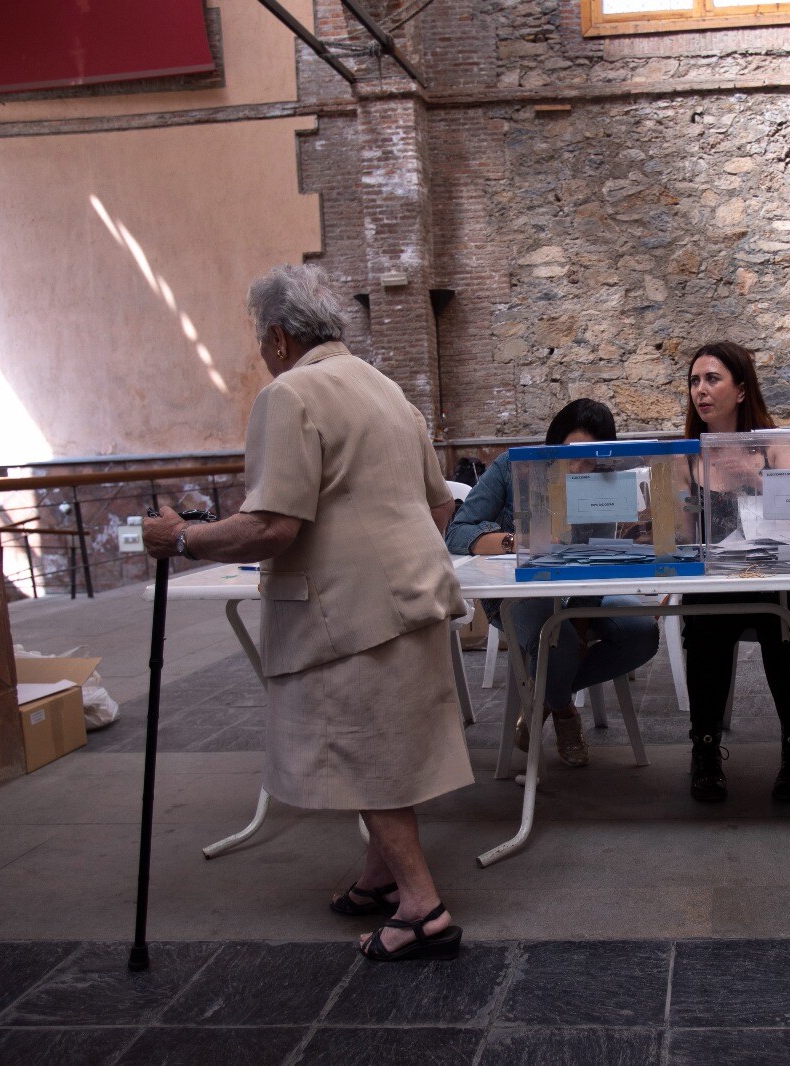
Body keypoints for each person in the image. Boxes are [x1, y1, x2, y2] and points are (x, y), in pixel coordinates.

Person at [143, 264, 473, 964]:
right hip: (412, 594)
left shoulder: (290, 395)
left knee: (363, 750)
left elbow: (271, 527)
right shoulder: (386, 390)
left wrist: (183, 537)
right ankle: (380, 879)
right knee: (383, 744)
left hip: (344, 612)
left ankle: (421, 907)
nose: (262, 354)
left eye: (261, 342)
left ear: (280, 336)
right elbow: (440, 503)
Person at [445, 399, 661, 765]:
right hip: (519, 595)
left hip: (587, 593)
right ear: (552, 445)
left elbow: (600, 558)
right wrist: (518, 540)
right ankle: (565, 712)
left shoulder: (605, 483)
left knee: (642, 632)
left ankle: (541, 701)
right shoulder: (515, 467)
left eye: (589, 459)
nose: (578, 467)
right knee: (554, 636)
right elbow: (457, 532)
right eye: (568, 456)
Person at [677, 341, 790, 803]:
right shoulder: (687, 456)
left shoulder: (775, 445)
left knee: (780, 610)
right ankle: (704, 749)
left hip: (786, 573)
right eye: (694, 381)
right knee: (704, 606)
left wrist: (752, 478)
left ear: (742, 390)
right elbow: (683, 539)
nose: (701, 391)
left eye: (712, 379)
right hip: (722, 582)